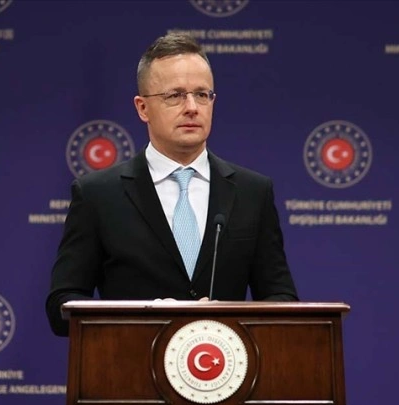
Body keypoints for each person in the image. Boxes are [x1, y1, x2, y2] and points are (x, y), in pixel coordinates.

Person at [46, 33, 298, 336]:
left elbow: (281, 298)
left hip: (222, 361)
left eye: (202, 94)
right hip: (131, 361)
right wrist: (145, 317)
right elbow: (62, 305)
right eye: (175, 96)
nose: (192, 107)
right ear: (142, 108)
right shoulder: (98, 195)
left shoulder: (252, 192)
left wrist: (229, 318)